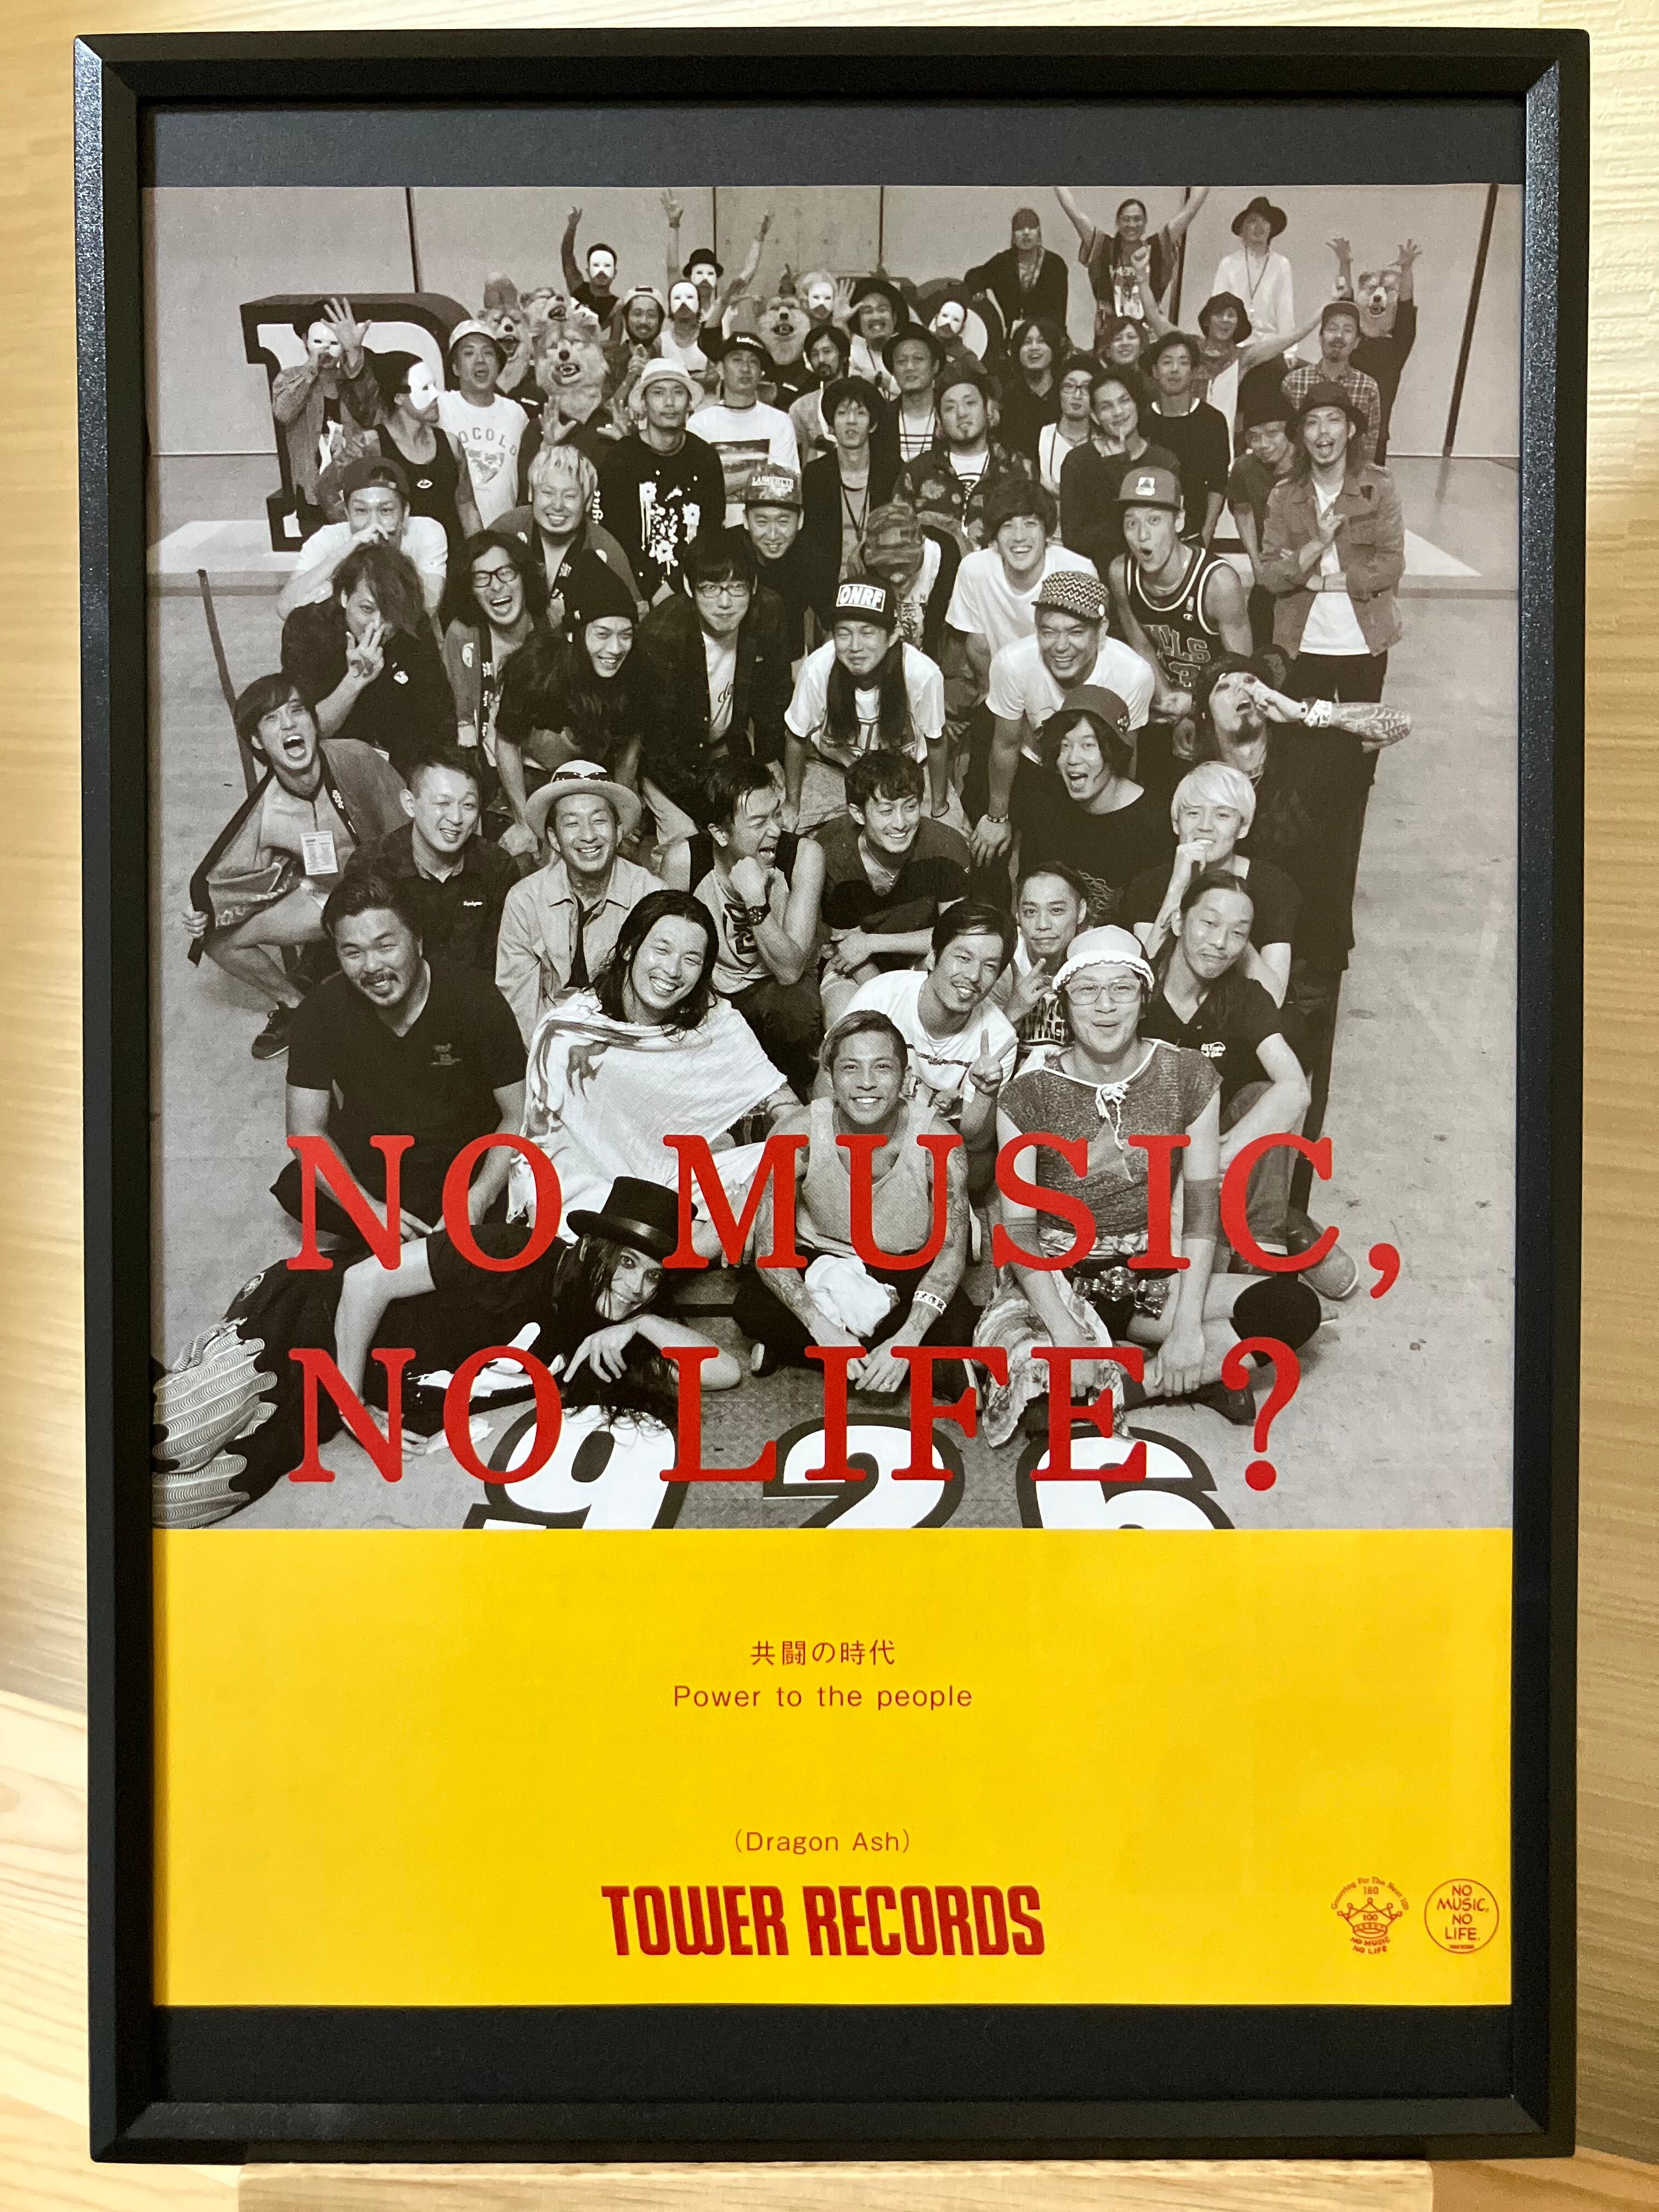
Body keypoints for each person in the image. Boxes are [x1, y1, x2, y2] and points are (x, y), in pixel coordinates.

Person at [975, 923, 1322, 1448]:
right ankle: (1193, 1373)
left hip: (1152, 1283)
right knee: (1038, 1388)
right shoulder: (1028, 1093)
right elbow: (1019, 1231)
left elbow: (1201, 1210)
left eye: (1122, 988)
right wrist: (1067, 1335)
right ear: (1065, 1003)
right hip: (1059, 1283)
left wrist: (1187, 1327)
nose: (1105, 1006)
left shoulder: (1187, 1074)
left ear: (1144, 998)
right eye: (1088, 990)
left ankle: (1146, 1379)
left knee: (1293, 1308)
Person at [330, 1173, 740, 1434]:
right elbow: (364, 1280)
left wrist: (641, 1325)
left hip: (395, 1394)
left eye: (653, 1276)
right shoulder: (510, 1252)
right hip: (326, 1335)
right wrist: (351, 1406)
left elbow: (725, 1370)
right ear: (588, 1249)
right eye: (627, 1263)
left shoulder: (620, 1320)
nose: (636, 1288)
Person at [514, 889, 797, 1232]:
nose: (673, 970)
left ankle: (695, 1236)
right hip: (601, 1190)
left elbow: (779, 1098)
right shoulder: (569, 1032)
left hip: (684, 1181)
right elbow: (542, 1143)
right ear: (629, 949)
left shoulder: (716, 1022)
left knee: (786, 1160)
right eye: (662, 950)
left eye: (691, 960)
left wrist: (792, 1135)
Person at [276, 867, 527, 1243]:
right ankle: (407, 1234)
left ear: (418, 942)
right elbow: (305, 1131)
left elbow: (518, 1113)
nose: (372, 967)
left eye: (386, 946)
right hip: (380, 1166)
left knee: (534, 1187)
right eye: (353, 952)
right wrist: (364, 1207)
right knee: (298, 1186)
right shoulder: (319, 1012)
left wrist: (479, 1197)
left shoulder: (476, 999)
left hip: (465, 1162)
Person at [733, 1011, 979, 1389]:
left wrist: (908, 1338)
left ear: (905, 1077)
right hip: (821, 1259)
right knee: (751, 1305)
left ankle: (799, 1352)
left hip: (902, 1266)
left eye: (882, 1067)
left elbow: (950, 1253)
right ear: (831, 1077)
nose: (867, 1083)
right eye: (851, 1067)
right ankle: (914, 1367)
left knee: (958, 1321)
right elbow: (770, 1249)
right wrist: (821, 1327)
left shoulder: (940, 1142)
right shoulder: (794, 1133)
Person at [183, 676, 406, 1060]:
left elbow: (409, 832)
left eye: (297, 711)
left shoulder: (355, 758)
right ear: (257, 742)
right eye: (271, 719)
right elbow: (226, 880)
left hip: (393, 890)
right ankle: (296, 1006)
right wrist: (204, 913)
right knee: (218, 940)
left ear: (314, 723)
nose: (288, 724)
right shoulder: (266, 815)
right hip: (330, 898)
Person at [1137, 870, 1333, 1272]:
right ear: (1179, 922)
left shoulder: (1245, 997)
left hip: (1213, 1148)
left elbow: (1295, 1089)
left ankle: (1261, 1250)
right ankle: (1286, 1224)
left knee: (1263, 1096)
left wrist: (1219, 1157)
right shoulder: (1137, 986)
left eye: (1238, 933)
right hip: (1144, 1144)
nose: (1221, 943)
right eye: (1209, 924)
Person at [662, 755, 827, 1099]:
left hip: (776, 990)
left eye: (776, 814)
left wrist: (755, 899)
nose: (776, 830)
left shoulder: (803, 855)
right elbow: (670, 949)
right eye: (759, 822)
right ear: (720, 833)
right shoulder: (685, 861)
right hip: (714, 990)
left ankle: (798, 1092)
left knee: (795, 1010)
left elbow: (790, 970)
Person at [971, 570, 1156, 871]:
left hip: (1098, 769)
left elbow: (1126, 754)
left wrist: (1120, 819)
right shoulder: (1012, 663)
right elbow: (1006, 744)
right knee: (1021, 858)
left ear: (1102, 630)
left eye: (1075, 632)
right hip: (1035, 762)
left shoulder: (1133, 674)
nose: (1060, 646)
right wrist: (997, 817)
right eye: (1048, 632)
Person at [843, 902, 1017, 1190]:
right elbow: (831, 1090)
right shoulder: (880, 997)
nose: (974, 976)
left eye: (989, 966)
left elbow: (974, 1141)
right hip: (871, 1131)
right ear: (933, 958)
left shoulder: (998, 1039)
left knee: (978, 1170)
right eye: (963, 958)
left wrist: (986, 1094)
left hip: (938, 1148)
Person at [634, 528, 793, 839]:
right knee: (694, 840)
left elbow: (775, 692)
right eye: (710, 588)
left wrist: (767, 757)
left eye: (737, 588)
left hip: (725, 747)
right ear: (689, 587)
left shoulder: (768, 611)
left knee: (763, 824)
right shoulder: (662, 635)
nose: (725, 603)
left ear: (754, 586)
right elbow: (658, 746)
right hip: (668, 766)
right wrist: (712, 807)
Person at [494, 759, 664, 1042]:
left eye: (599, 821)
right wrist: (549, 1056)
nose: (588, 836)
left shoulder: (652, 895)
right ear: (555, 839)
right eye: (572, 823)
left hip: (628, 1039)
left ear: (618, 831)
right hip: (549, 1038)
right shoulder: (525, 900)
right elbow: (518, 1003)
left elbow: (657, 999)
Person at [1108, 464, 1252, 798]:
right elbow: (1142, 646)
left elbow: (1242, 675)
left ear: (1179, 522)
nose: (1142, 535)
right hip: (1164, 702)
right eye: (1131, 523)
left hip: (1221, 706)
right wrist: (1173, 709)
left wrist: (1195, 709)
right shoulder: (1120, 573)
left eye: (1154, 520)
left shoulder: (1218, 583)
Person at [1259, 382, 1404, 701]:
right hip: (1303, 645)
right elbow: (1270, 576)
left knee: (1361, 731)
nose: (1323, 431)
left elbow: (1392, 563)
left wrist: (1323, 582)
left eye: (1333, 419)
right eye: (1312, 422)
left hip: (1365, 642)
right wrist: (1318, 543)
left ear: (1350, 430)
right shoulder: (1283, 496)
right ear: (1302, 436)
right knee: (1302, 732)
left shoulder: (1378, 487)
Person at [492, 562, 646, 855]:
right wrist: (524, 822)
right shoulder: (534, 669)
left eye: (625, 635)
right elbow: (507, 742)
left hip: (596, 782)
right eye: (603, 634)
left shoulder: (636, 673)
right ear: (574, 633)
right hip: (531, 781)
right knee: (527, 859)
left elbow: (630, 748)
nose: (616, 649)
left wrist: (620, 814)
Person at [812, 747, 971, 1024]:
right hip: (856, 967)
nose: (900, 823)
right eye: (886, 811)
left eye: (910, 807)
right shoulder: (833, 853)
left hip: (925, 958)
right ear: (858, 814)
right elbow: (850, 952)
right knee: (847, 1020)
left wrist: (873, 943)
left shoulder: (947, 847)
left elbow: (954, 936)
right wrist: (894, 1010)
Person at [1122, 760, 1300, 1005]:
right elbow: (1144, 984)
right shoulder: (1148, 885)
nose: (1205, 826)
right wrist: (1177, 889)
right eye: (1193, 813)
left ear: (1243, 827)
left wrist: (1228, 922)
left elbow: (1273, 999)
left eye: (1222, 815)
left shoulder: (1274, 886)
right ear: (1176, 824)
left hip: (1242, 1016)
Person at [783, 577, 950, 829]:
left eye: (867, 633)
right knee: (792, 836)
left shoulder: (922, 673)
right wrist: (791, 803)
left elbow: (936, 741)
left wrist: (939, 807)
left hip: (906, 775)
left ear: (893, 635)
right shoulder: (818, 667)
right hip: (836, 770)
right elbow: (796, 735)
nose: (855, 647)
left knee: (945, 839)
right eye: (844, 633)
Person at [280, 540, 457, 777]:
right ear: (344, 597)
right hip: (330, 764)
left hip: (402, 762)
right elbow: (307, 733)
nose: (378, 625)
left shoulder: (412, 627)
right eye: (367, 609)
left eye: (390, 613)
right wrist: (354, 682)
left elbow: (439, 721)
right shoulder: (307, 628)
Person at [1018, 685, 1174, 917]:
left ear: (1113, 751)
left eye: (1088, 745)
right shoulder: (1046, 809)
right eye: (1065, 746)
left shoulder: (1155, 822)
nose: (1072, 758)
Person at [360, 743, 516, 976]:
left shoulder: (496, 867)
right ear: (410, 804)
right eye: (443, 803)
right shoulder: (372, 867)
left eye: (468, 805)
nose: (456, 818)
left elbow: (504, 964)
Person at [596, 358, 726, 602]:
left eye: (678, 392)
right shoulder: (621, 459)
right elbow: (609, 537)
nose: (669, 402)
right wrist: (640, 597)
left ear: (689, 402)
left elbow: (711, 536)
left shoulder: (705, 459)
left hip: (693, 591)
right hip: (631, 594)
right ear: (644, 404)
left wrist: (674, 588)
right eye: (658, 393)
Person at [945, 478, 1096, 684]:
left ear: (1047, 532)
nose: (1019, 537)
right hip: (1003, 683)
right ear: (995, 536)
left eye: (1030, 524)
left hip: (1066, 683)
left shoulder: (1077, 571)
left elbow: (1088, 647)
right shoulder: (974, 569)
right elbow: (979, 645)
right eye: (1007, 526)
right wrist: (992, 690)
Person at [276, 454, 449, 621]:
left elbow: (429, 605)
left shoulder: (426, 531)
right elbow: (285, 609)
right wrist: (344, 552)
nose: (374, 524)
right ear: (347, 513)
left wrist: (341, 590)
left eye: (386, 510)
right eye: (361, 511)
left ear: (405, 513)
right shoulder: (327, 539)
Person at [439, 529, 548, 775]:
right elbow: (461, 722)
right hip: (484, 771)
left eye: (506, 573)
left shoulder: (552, 624)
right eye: (481, 578)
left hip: (550, 769)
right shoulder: (462, 635)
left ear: (524, 576)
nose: (496, 586)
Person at [270, 297, 380, 535]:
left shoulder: (357, 379)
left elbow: (372, 414)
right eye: (318, 341)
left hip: (356, 488)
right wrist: (311, 369)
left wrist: (354, 354)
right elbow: (283, 412)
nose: (325, 350)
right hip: (310, 492)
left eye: (334, 342)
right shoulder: (289, 379)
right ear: (305, 340)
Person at [494, 442, 641, 620]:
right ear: (531, 493)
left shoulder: (605, 548)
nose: (558, 506)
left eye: (570, 496)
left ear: (588, 501)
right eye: (548, 493)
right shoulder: (508, 529)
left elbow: (634, 617)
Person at [1057, 367, 1180, 577]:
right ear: (1095, 416)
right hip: (1095, 576)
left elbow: (1161, 533)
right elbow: (1074, 539)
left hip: (1150, 576)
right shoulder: (1078, 461)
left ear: (1136, 404)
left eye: (1124, 401)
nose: (1118, 412)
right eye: (1106, 407)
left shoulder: (1164, 462)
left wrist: (1120, 467)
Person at [896, 363, 1032, 549]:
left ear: (988, 409)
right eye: (950, 408)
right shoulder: (918, 471)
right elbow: (898, 536)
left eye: (970, 403)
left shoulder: (1018, 467)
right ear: (939, 419)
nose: (962, 414)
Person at [799, 376, 901, 622]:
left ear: (873, 425)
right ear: (831, 426)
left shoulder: (893, 471)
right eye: (843, 413)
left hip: (885, 591)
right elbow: (812, 547)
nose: (851, 421)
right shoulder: (816, 475)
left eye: (861, 413)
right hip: (830, 595)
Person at [369, 351, 482, 562]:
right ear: (399, 398)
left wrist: (480, 560)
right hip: (400, 566)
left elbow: (467, 507)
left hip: (453, 563)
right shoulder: (372, 445)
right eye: (424, 388)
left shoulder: (451, 444)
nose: (436, 395)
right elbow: (325, 489)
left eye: (434, 386)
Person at [1053, 186, 1210, 335]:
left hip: (1150, 336)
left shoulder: (1158, 249)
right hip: (1110, 337)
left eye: (1137, 219)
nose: (1132, 225)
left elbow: (1189, 211)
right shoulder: (1103, 248)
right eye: (1126, 219)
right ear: (1118, 222)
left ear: (1145, 222)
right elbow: (1075, 214)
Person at [691, 331, 800, 522]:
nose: (746, 368)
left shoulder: (780, 422)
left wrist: (725, 481)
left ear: (761, 373)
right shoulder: (699, 424)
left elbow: (784, 487)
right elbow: (698, 488)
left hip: (765, 530)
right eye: (737, 360)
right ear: (720, 370)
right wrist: (760, 473)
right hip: (714, 529)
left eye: (753, 362)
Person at [1332, 235, 1420, 465]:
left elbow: (1406, 304)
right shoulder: (1352, 337)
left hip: (1375, 434)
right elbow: (1345, 299)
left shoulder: (1398, 344)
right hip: (1340, 429)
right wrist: (1344, 263)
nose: (1378, 297)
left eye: (1387, 292)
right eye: (1371, 290)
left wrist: (1407, 269)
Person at [1226, 376, 1300, 646]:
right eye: (1254, 437)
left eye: (1272, 434)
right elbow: (1242, 510)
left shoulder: (1309, 467)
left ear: (1290, 431)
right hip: (1268, 572)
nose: (1263, 444)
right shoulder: (1246, 468)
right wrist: (1256, 565)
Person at [436, 319, 530, 529]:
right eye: (469, 353)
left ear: (498, 365)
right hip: (457, 533)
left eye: (488, 353)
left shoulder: (516, 413)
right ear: (456, 368)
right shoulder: (440, 407)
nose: (480, 360)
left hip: (507, 532)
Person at [991, 861, 1090, 1061]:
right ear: (1018, 916)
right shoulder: (1002, 959)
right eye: (1031, 912)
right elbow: (977, 1053)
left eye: (1057, 911)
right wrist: (1013, 1011)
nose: (1043, 925)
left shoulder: (1097, 959)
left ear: (1081, 911)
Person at [1143, 333, 1232, 546]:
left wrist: (1205, 536)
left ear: (1193, 372)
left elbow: (1218, 484)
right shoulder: (1142, 419)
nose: (1174, 369)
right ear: (1155, 371)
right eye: (1167, 362)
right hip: (1147, 532)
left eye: (1183, 363)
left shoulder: (1212, 420)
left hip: (1194, 534)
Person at [1281, 301, 1383, 467]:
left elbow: (1369, 444)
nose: (1339, 336)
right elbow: (1287, 439)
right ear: (1320, 338)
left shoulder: (1368, 387)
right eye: (1332, 329)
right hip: (1302, 472)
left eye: (1348, 331)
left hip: (1349, 473)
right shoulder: (1294, 382)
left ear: (1357, 342)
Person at [857, 501, 960, 662]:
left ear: (922, 546)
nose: (896, 578)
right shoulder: (862, 565)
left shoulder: (955, 566)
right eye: (885, 566)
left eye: (903, 564)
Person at [742, 464, 814, 664]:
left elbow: (835, 622)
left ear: (800, 520)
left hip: (791, 664)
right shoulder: (723, 550)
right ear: (746, 520)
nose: (773, 535)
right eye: (762, 522)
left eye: (783, 522)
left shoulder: (811, 558)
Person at [1209, 195, 1297, 356]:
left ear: (1271, 228)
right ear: (1243, 229)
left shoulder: (1281, 264)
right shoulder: (1229, 264)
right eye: (1253, 221)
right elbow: (1217, 311)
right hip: (1235, 346)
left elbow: (1285, 311)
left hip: (1270, 347)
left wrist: (1289, 351)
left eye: (1265, 222)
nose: (1259, 227)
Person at [965, 206, 1071, 337]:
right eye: (1020, 228)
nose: (1026, 232)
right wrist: (978, 290)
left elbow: (1060, 314)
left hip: (1049, 338)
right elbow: (974, 275)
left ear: (1039, 233)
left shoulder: (1055, 264)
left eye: (1031, 227)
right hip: (1014, 339)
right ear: (1014, 236)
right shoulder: (1003, 263)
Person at [996, 317, 1069, 465]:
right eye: (1026, 342)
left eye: (1042, 341)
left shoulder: (1066, 394)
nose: (1034, 347)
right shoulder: (1007, 397)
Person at [788, 320, 854, 462]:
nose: (821, 360)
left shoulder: (863, 399)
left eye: (827, 352)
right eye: (815, 354)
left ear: (843, 356)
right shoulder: (801, 408)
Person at [884, 325, 946, 466]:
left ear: (935, 366)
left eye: (918, 359)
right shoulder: (881, 418)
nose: (910, 367)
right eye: (902, 361)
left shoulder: (950, 415)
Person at [1039, 354, 1097, 502]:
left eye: (1086, 388)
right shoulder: (1041, 436)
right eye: (1069, 387)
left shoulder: (1104, 441)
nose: (1077, 395)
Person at [560, 208, 624, 340]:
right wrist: (572, 227)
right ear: (588, 271)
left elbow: (614, 342)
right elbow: (567, 256)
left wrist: (588, 345)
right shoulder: (577, 287)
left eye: (607, 266)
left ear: (615, 273)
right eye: (596, 266)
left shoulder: (617, 306)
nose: (601, 272)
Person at [845, 276, 910, 398]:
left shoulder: (911, 352)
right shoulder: (852, 355)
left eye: (882, 310)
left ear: (895, 318)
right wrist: (839, 323)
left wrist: (882, 381)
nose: (876, 317)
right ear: (858, 321)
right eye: (868, 311)